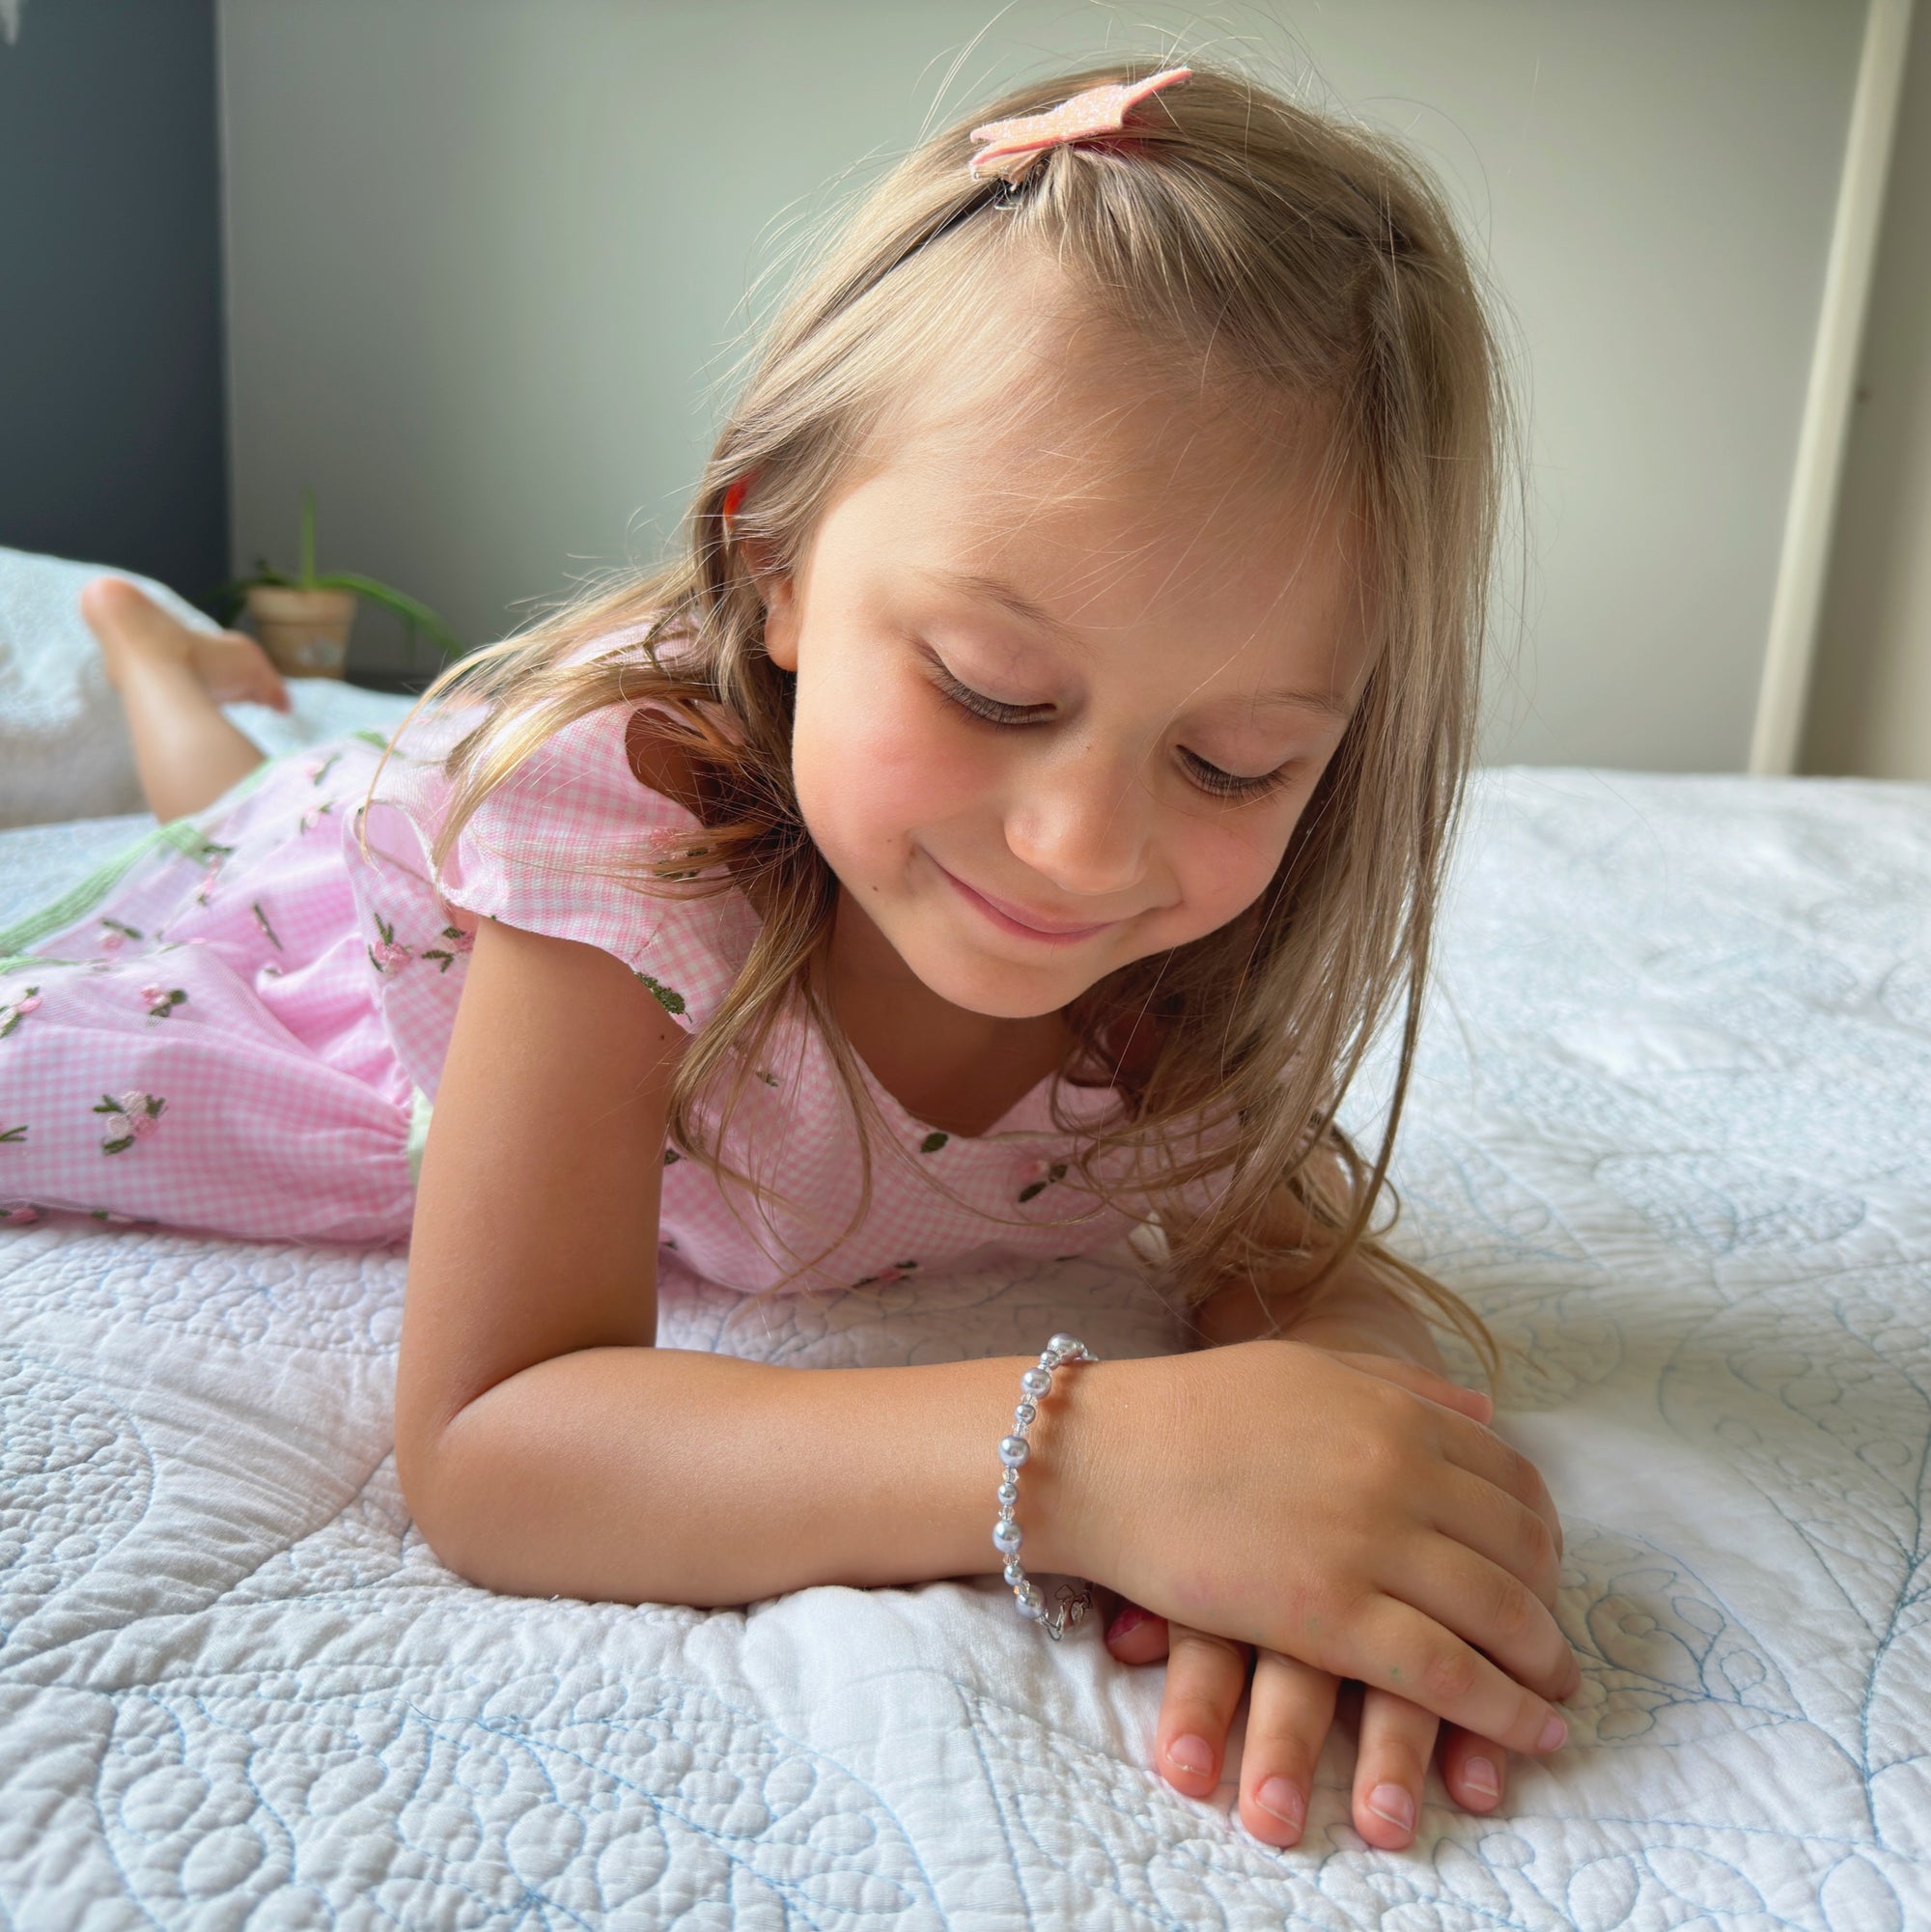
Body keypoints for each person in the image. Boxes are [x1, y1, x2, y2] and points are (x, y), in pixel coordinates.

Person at [0, 62, 1578, 1853]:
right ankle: (161, 671)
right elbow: (500, 1441)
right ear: (775, 564)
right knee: (257, 808)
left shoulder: (1197, 953)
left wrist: (1332, 1466)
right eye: (993, 689)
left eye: (1234, 760)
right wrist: (1097, 1465)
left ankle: (199, 686)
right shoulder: (621, 842)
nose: (1084, 846)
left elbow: (1295, 1263)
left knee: (281, 773)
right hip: (345, 952)